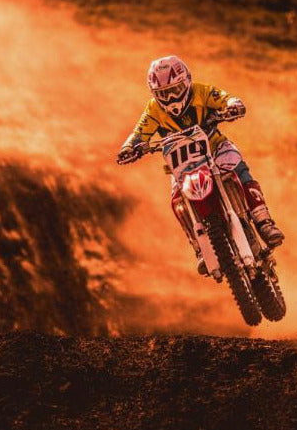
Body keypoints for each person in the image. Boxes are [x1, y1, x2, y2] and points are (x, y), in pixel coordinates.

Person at [116, 55, 284, 272]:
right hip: (182, 166)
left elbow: (224, 98)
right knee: (177, 200)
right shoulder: (153, 110)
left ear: (186, 82)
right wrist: (129, 148)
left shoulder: (202, 92)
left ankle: (264, 221)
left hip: (215, 149)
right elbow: (139, 132)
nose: (170, 97)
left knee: (238, 166)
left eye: (175, 90)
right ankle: (198, 246)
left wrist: (233, 105)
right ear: (154, 94)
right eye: (162, 94)